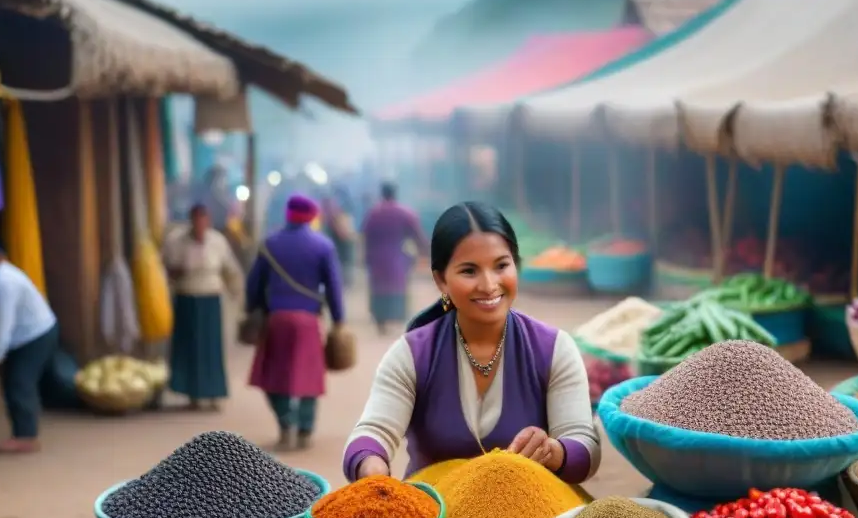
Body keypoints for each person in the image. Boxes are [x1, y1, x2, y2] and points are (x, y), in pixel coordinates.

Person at [343, 201, 601, 484]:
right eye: (469, 271)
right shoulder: (412, 354)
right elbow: (373, 432)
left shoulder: (553, 349)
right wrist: (372, 468)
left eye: (501, 265)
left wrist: (555, 451)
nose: (489, 284)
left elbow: (584, 444)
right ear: (441, 280)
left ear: (516, 265)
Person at [246, 194, 344, 451]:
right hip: (308, 321)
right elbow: (333, 286)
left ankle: (285, 421)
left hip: (276, 320)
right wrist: (339, 319)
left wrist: (252, 309)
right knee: (309, 378)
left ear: (287, 214)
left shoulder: (269, 244)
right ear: (312, 216)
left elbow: (254, 284)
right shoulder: (323, 245)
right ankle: (304, 429)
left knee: (272, 377)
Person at [162, 204, 242, 411]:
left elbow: (230, 269)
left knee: (211, 349)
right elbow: (166, 269)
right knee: (190, 348)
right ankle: (193, 395)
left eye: (203, 220)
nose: (199, 224)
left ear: (208, 221)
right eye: (195, 220)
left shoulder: (218, 241)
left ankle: (214, 392)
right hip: (187, 296)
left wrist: (237, 292)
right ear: (191, 221)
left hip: (210, 298)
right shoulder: (176, 242)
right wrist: (181, 270)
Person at [0, 242, 59, 453]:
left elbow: (4, 323)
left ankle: (26, 436)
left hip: (36, 335)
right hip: (24, 336)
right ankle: (22, 432)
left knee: (20, 382)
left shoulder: (4, 283)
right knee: (16, 382)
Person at [361, 181, 426, 336]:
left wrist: (365, 256)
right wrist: (426, 250)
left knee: (378, 288)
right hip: (397, 256)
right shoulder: (405, 212)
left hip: (376, 257)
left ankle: (380, 320)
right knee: (397, 286)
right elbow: (417, 235)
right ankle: (397, 318)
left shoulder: (373, 213)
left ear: (382, 193)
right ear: (396, 193)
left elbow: (365, 235)